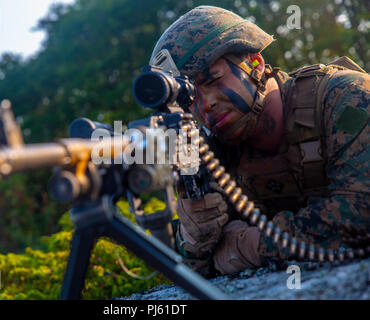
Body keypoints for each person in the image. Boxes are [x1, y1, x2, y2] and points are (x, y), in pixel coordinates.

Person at [149, 6, 369, 276]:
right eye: (191, 98)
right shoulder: (216, 156)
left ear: (256, 63)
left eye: (214, 79)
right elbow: (186, 273)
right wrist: (193, 242)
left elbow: (360, 214)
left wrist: (250, 246)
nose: (206, 105)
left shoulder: (344, 99)